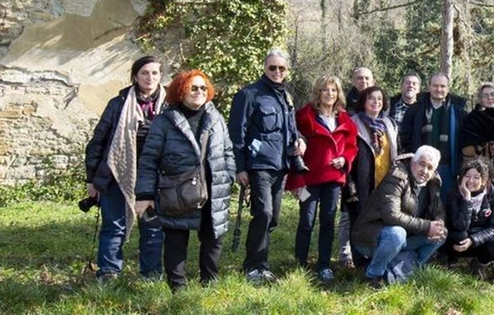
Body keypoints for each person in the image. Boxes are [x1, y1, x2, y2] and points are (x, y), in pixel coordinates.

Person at [134, 69, 236, 291]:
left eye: (202, 87)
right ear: (181, 90)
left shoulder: (215, 117)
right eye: (193, 87)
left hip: (213, 189)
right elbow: (149, 160)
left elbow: (228, 150)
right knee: (176, 240)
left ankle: (209, 285)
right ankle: (177, 289)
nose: (199, 91)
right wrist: (144, 195)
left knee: (212, 239)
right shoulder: (165, 121)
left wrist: (228, 176)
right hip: (176, 190)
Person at [84, 55, 166, 281]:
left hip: (155, 176)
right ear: (135, 76)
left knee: (152, 227)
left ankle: (151, 274)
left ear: (161, 76)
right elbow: (98, 141)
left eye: (155, 73)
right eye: (144, 73)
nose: (150, 78)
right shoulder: (118, 104)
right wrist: (92, 180)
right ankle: (109, 273)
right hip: (118, 173)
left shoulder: (170, 105)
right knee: (114, 225)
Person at [228, 49, 306, 283]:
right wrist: (240, 168)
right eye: (272, 67)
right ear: (264, 68)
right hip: (258, 165)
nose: (277, 72)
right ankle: (254, 267)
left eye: (281, 68)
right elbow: (236, 134)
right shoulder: (249, 95)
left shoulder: (286, 97)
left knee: (273, 218)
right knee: (263, 213)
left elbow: (290, 128)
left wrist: (300, 138)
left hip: (281, 166)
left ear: (287, 70)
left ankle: (260, 263)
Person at [289, 74, 358, 283]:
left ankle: (324, 265)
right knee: (306, 221)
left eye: (334, 90)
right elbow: (293, 142)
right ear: (318, 93)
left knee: (328, 221)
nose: (330, 94)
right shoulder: (303, 115)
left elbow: (352, 146)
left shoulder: (344, 118)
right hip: (308, 177)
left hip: (333, 178)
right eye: (325, 90)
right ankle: (300, 264)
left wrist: (344, 159)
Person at [351, 145, 447, 287]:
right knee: (397, 234)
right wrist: (427, 226)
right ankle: (373, 275)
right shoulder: (397, 177)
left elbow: (438, 210)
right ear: (413, 161)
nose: (424, 171)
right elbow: (391, 215)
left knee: (441, 235)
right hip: (371, 238)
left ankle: (409, 270)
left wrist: (438, 223)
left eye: (430, 168)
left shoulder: (433, 182)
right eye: (422, 164)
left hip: (405, 238)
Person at [345, 86, 401, 265]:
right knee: (359, 221)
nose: (376, 102)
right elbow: (347, 153)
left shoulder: (390, 124)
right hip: (360, 182)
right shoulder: (352, 123)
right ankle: (359, 261)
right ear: (363, 101)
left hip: (385, 181)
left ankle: (378, 258)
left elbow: (397, 151)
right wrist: (350, 185)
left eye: (379, 99)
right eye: (371, 98)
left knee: (383, 221)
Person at [399, 73, 469, 196]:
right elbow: (405, 136)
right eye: (435, 86)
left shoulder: (458, 111)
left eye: (442, 86)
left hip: (447, 167)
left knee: (445, 202)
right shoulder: (416, 109)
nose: (439, 89)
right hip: (420, 166)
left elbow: (464, 138)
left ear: (448, 88)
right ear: (429, 87)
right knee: (420, 201)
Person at [445, 156, 494, 270]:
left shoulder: (493, 195)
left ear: (484, 181)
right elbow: (459, 225)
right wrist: (467, 199)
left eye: (476, 177)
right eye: (467, 176)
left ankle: (479, 264)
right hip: (457, 239)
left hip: (478, 238)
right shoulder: (453, 194)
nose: (471, 181)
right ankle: (452, 260)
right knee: (459, 235)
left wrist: (473, 240)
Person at [460, 82, 494, 174]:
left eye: (493, 94)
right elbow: (466, 143)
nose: (489, 98)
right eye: (485, 96)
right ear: (481, 100)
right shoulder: (473, 118)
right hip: (480, 168)